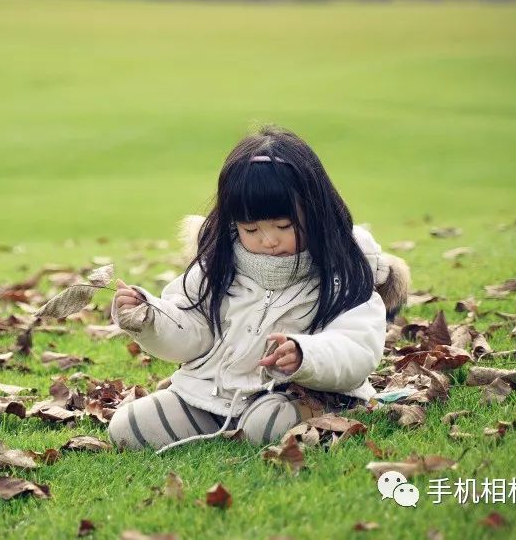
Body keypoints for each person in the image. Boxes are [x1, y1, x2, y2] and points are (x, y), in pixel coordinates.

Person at [108, 125, 410, 453]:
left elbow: (357, 348)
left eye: (283, 226)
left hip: (303, 392)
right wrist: (151, 318)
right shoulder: (218, 264)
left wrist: (304, 356)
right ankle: (223, 422)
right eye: (251, 228)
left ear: (314, 211)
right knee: (128, 428)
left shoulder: (344, 271)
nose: (268, 240)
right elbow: (193, 330)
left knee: (265, 424)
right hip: (217, 394)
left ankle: (322, 415)